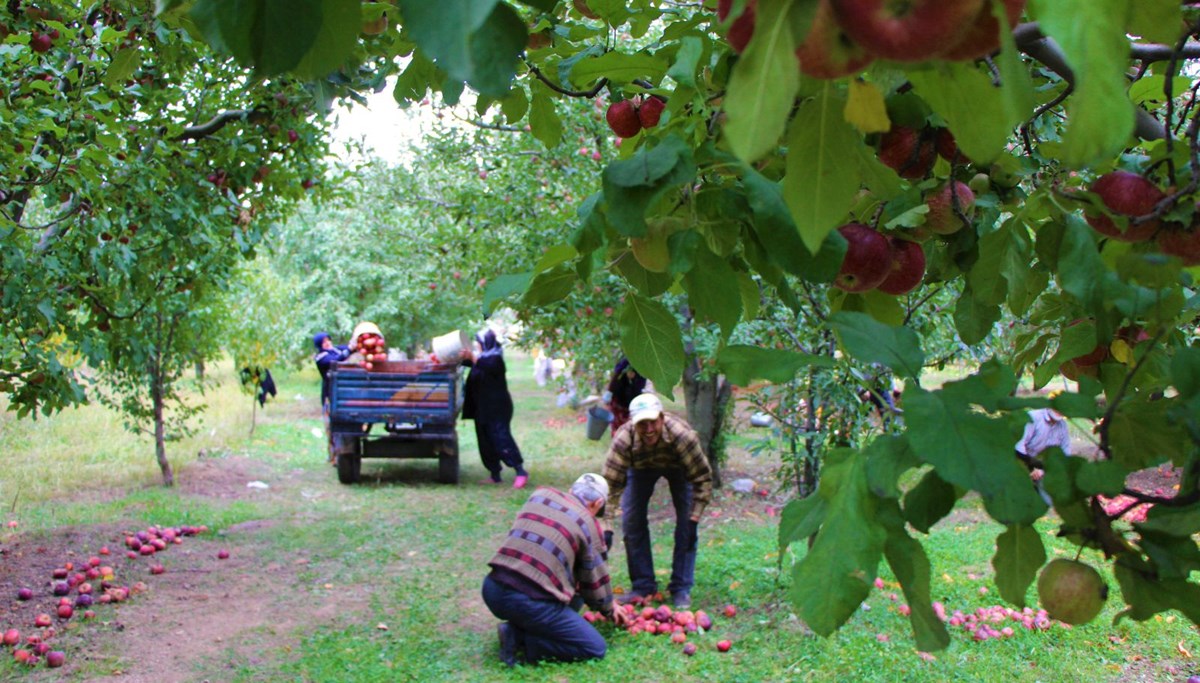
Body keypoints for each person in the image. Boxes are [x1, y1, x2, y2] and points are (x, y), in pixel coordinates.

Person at [481, 473, 631, 666]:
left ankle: (521, 627)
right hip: (527, 601)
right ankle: (518, 638)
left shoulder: (540, 494)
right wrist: (609, 608)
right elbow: (593, 580)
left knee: (573, 594)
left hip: (492, 589)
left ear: (571, 491)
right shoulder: (589, 523)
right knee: (594, 648)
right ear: (598, 503)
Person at [602, 393, 713, 610]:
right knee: (631, 522)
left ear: (662, 418)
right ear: (633, 425)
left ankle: (681, 587)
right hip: (640, 468)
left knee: (686, 526)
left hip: (679, 468)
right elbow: (611, 487)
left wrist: (695, 516)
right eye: (642, 424)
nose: (649, 429)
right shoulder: (624, 441)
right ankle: (643, 586)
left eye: (653, 422)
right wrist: (605, 527)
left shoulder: (682, 436)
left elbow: (702, 478)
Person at [462, 328, 529, 488]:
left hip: (498, 408)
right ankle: (495, 474)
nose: (476, 345)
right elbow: (467, 362)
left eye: (478, 342)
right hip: (482, 408)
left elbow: (488, 366)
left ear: (486, 343)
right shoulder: (481, 357)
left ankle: (520, 471)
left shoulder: (495, 358)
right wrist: (460, 356)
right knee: (485, 441)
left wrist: (472, 357)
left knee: (501, 438)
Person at [1015, 390, 1072, 503]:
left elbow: (1065, 454)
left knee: (1050, 500)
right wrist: (1030, 468)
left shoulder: (1063, 426)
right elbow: (1019, 447)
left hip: (1045, 468)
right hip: (1023, 461)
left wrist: (1044, 471)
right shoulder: (1033, 418)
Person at [605, 357, 647, 436]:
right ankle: (618, 440)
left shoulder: (644, 365)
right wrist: (609, 393)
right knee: (618, 426)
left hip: (633, 400)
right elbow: (616, 375)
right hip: (619, 398)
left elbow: (641, 385)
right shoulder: (626, 361)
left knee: (630, 427)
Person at [312, 332, 350, 413]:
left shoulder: (337, 350)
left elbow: (348, 349)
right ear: (320, 345)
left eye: (328, 340)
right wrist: (349, 350)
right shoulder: (321, 357)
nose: (328, 343)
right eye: (324, 342)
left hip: (345, 385)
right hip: (331, 390)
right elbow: (335, 360)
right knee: (333, 413)